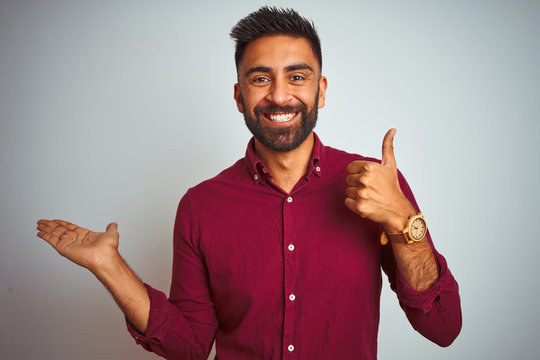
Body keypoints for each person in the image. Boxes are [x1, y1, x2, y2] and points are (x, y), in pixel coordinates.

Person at [36, 6, 462, 360]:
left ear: (322, 90)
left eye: (297, 77)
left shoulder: (376, 184)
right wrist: (109, 267)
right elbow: (190, 346)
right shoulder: (200, 207)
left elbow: (442, 328)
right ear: (239, 95)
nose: (279, 96)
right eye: (261, 79)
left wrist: (403, 220)